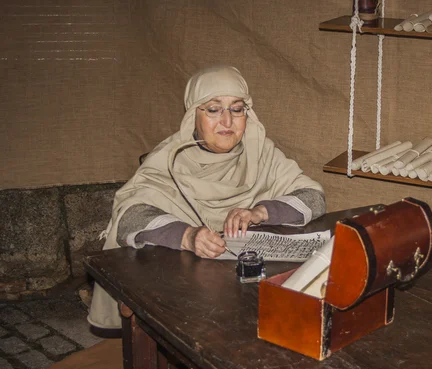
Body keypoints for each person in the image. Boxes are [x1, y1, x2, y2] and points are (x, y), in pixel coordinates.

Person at [88, 65, 326, 330]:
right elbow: (130, 216)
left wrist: (260, 212)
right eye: (213, 110)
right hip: (180, 286)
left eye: (237, 109)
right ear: (193, 116)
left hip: (244, 282)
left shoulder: (260, 150)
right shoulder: (169, 160)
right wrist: (188, 236)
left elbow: (313, 197)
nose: (227, 121)